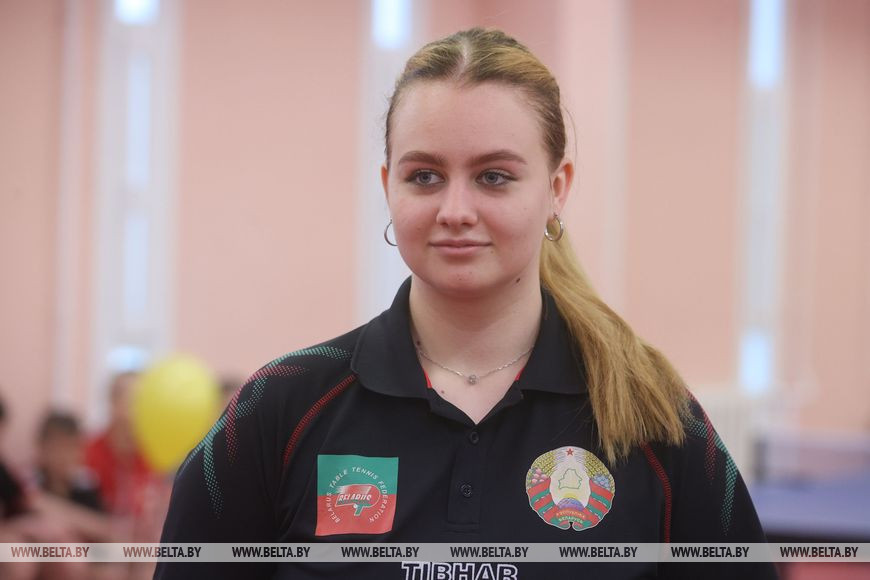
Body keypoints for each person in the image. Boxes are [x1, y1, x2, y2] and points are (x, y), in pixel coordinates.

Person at [156, 28, 777, 579]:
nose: (455, 211)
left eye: (494, 177)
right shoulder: (280, 408)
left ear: (557, 188)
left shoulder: (654, 416)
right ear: (388, 186)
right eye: (424, 176)